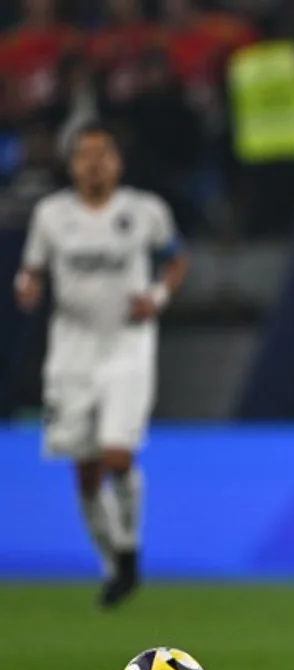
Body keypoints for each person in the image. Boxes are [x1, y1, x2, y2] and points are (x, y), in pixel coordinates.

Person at [13, 120, 188, 609]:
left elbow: (175, 260)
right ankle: (114, 565)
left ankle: (129, 551)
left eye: (102, 155)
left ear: (117, 162)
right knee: (86, 473)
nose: (94, 164)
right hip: (71, 352)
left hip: (127, 347)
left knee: (118, 456)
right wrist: (25, 286)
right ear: (71, 166)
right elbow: (33, 269)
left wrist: (157, 296)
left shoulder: (145, 211)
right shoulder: (52, 216)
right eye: (84, 156)